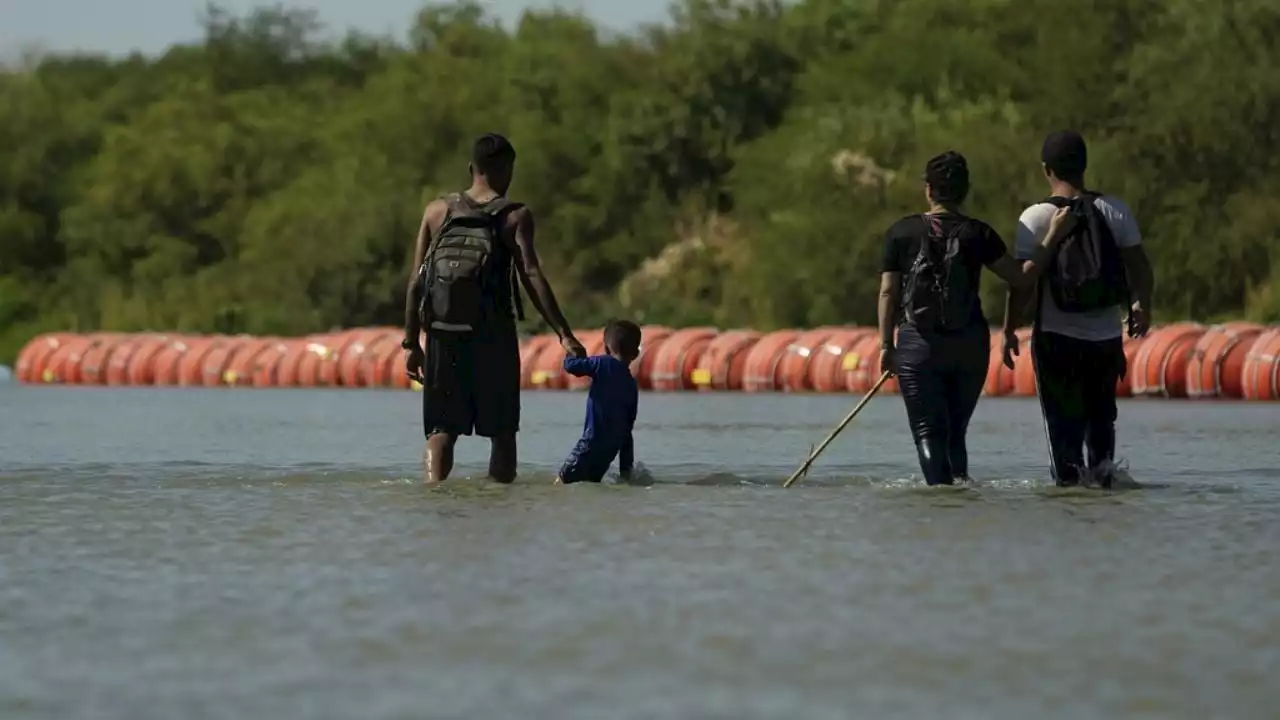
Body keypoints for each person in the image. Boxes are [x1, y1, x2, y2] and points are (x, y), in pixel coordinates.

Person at [878, 151, 1073, 486]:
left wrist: (885, 345)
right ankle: (960, 498)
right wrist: (1053, 233)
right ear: (965, 190)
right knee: (956, 432)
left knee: (928, 431)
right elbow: (1021, 277)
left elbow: (888, 294)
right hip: (969, 345)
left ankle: (941, 498)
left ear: (928, 189)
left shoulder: (900, 233)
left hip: (918, 345)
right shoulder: (978, 234)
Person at [404, 133, 586, 485]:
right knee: (501, 433)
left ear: (472, 168)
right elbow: (531, 274)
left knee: (441, 430)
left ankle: (433, 493)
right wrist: (564, 333)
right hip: (493, 337)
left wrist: (411, 344)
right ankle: (499, 505)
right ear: (507, 169)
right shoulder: (514, 216)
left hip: (443, 335)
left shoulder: (436, 212)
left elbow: (415, 281)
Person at [1002, 131, 1154, 488]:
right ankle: (1104, 494)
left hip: (1056, 340)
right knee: (1101, 427)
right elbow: (1141, 267)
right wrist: (1141, 305)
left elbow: (1022, 283)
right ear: (1085, 166)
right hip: (1104, 340)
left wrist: (1009, 329)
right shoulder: (1114, 210)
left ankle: (1070, 505)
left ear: (1046, 169)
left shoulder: (1037, 217)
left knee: (1062, 433)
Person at [555, 320, 642, 485]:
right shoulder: (631, 385)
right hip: (609, 453)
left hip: (589, 445)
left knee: (560, 486)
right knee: (591, 485)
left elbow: (572, 367)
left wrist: (571, 350)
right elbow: (627, 430)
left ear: (606, 348)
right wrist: (626, 469)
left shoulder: (601, 363)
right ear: (636, 354)